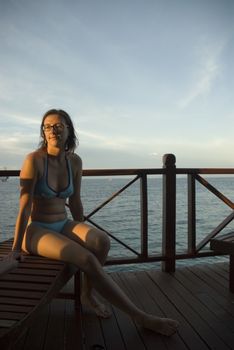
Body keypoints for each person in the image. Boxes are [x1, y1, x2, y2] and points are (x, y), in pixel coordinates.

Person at [7, 109, 178, 336]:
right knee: (85, 258)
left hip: (62, 223)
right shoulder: (34, 161)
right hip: (37, 230)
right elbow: (25, 206)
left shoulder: (75, 162)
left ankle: (86, 294)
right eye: (47, 126)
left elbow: (75, 200)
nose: (53, 131)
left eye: (58, 125)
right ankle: (140, 316)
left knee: (101, 242)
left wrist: (82, 230)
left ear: (69, 129)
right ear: (43, 132)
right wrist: (15, 250)